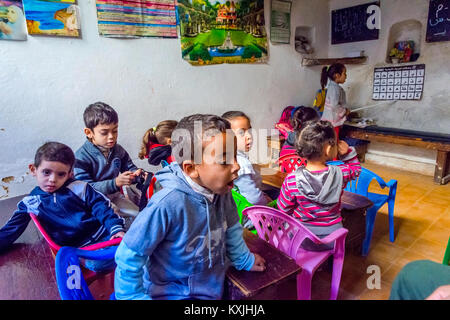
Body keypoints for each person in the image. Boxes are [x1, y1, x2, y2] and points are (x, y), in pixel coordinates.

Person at [114, 114, 266, 300]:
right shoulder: (166, 204)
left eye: (235, 156)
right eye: (225, 160)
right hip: (170, 293)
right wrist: (132, 297)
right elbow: (129, 255)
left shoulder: (223, 192)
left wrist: (244, 259)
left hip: (210, 289)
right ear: (191, 169)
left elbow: (233, 231)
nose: (235, 166)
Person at [0, 142, 125, 271]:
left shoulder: (79, 187)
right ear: (33, 170)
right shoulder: (31, 202)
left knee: (137, 244)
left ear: (70, 173)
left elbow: (102, 208)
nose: (52, 179)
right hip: (78, 249)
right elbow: (11, 230)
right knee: (101, 264)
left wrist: (116, 228)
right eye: (46, 172)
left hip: (106, 236)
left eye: (61, 174)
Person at [277, 120, 361, 251]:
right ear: (328, 149)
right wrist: (348, 152)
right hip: (332, 239)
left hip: (302, 238)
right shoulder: (341, 172)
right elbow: (355, 170)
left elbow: (283, 209)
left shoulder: (291, 179)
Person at [74, 102, 145, 217]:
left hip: (114, 196)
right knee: (113, 216)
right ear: (89, 133)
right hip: (93, 203)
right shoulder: (81, 157)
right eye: (104, 132)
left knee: (140, 216)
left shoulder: (118, 150)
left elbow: (130, 168)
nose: (111, 136)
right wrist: (115, 183)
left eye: (115, 130)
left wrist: (137, 174)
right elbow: (86, 190)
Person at [221, 111, 269, 206]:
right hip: (249, 210)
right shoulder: (241, 164)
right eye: (242, 132)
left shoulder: (226, 156)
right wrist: (267, 202)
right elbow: (254, 198)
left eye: (249, 131)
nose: (249, 137)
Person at [320, 63, 351, 140]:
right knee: (333, 142)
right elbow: (334, 106)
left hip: (329, 122)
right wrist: (345, 111)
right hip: (332, 123)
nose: (346, 76)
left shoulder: (334, 87)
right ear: (337, 75)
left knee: (329, 142)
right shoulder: (335, 88)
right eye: (344, 73)